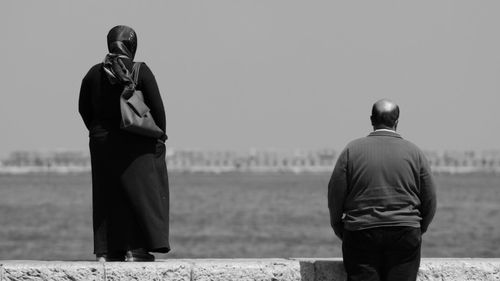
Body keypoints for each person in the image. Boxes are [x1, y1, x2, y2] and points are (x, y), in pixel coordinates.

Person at [79, 25, 170, 262]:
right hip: (136, 140)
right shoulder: (140, 70)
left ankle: (106, 251)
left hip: (101, 142)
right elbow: (158, 110)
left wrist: (97, 131)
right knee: (138, 194)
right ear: (132, 45)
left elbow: (83, 108)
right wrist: (161, 136)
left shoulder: (93, 73)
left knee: (106, 194)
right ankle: (134, 249)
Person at [328, 99, 437, 281]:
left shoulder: (351, 150)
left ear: (371, 120)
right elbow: (430, 198)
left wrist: (339, 226)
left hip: (361, 231)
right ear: (397, 122)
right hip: (405, 232)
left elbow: (335, 194)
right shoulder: (414, 152)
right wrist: (419, 227)